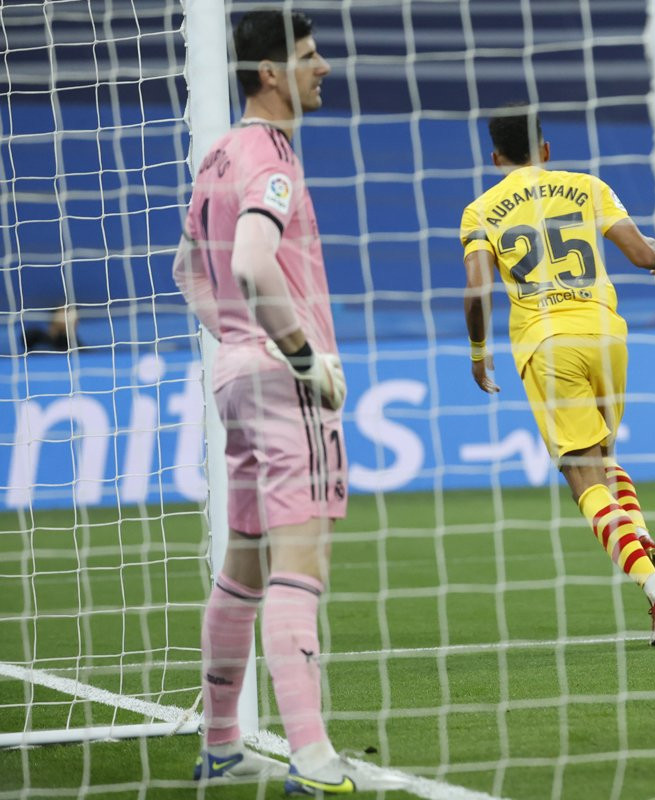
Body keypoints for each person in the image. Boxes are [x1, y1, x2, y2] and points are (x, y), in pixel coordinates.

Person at [172, 10, 367, 794]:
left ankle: (221, 744)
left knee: (243, 570)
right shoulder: (269, 159)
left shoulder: (217, 155)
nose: (324, 67)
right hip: (285, 382)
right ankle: (314, 759)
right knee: (299, 568)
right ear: (269, 72)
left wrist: (236, 343)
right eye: (310, 56)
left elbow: (190, 268)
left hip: (237, 378)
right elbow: (253, 262)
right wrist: (300, 355)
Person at [460, 104, 655, 645]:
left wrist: (478, 349)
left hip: (548, 342)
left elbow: (475, 289)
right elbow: (641, 256)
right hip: (608, 334)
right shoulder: (588, 186)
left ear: (496, 157)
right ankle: (652, 567)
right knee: (605, 460)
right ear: (547, 149)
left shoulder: (480, 210)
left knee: (580, 473)